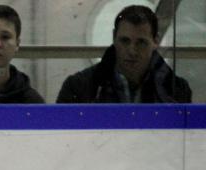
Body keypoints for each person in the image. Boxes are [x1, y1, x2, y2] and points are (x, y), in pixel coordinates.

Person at [56, 5, 191, 103]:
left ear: (156, 41)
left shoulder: (177, 90)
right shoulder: (78, 87)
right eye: (125, 41)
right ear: (114, 38)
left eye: (141, 42)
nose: (132, 51)